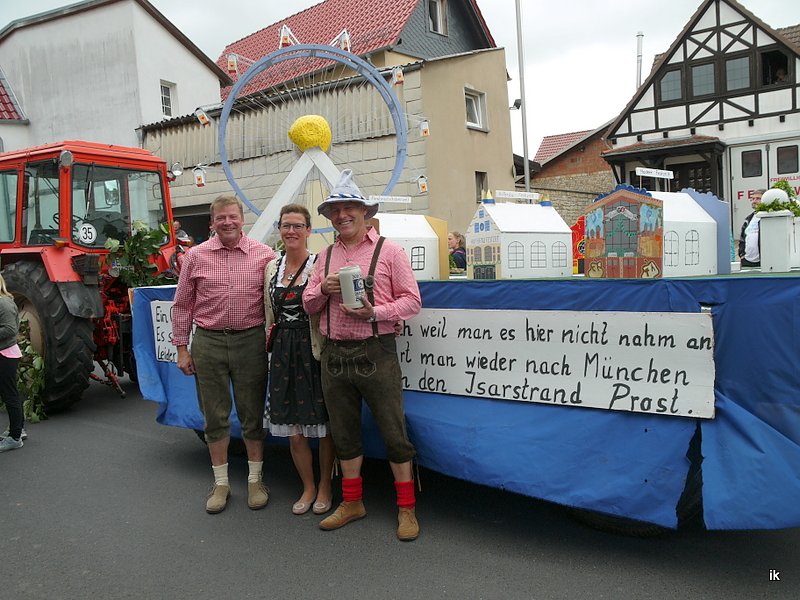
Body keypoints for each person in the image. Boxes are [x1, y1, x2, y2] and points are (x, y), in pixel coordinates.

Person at [303, 169, 423, 541]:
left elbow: (413, 301)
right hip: (335, 356)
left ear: (363, 212)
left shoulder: (391, 251)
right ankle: (353, 502)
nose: (342, 215)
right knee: (344, 435)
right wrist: (322, 288)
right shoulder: (322, 257)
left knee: (393, 432)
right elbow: (308, 304)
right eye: (335, 210)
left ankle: (406, 509)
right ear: (329, 217)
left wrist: (376, 312)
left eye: (349, 207)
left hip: (377, 351)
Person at [172, 194, 277, 514]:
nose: (227, 222)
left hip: (251, 342)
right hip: (209, 342)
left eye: (233, 216)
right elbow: (183, 304)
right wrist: (181, 349)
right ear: (212, 222)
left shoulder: (265, 255)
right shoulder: (195, 257)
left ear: (242, 219)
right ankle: (221, 483)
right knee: (214, 416)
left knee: (251, 415)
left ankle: (255, 480)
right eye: (221, 218)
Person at [264, 204, 335, 516]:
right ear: (279, 230)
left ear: (308, 230)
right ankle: (307, 485)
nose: (290, 231)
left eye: (297, 225)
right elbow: (269, 313)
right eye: (285, 225)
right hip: (282, 350)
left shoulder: (320, 264)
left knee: (323, 424)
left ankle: (325, 486)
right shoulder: (271, 268)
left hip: (313, 349)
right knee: (293, 427)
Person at [0, 274, 24, 453]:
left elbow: (10, 329)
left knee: (10, 394)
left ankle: (15, 436)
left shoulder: (4, 303)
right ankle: (17, 429)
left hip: (6, 354)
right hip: (4, 352)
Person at [738, 189, 765, 267]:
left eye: (758, 198)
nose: (754, 201)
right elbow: (742, 238)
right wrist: (742, 254)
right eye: (753, 199)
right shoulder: (748, 219)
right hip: (747, 261)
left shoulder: (768, 217)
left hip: (763, 261)